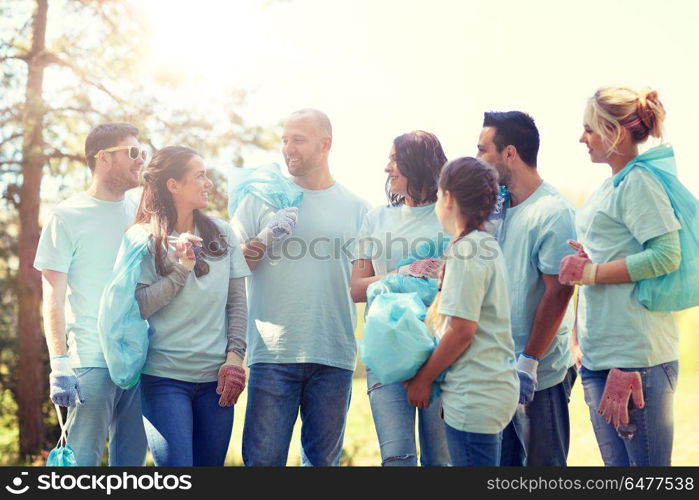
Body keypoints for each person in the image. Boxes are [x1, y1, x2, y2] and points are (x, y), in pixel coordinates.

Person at [231, 109, 370, 466]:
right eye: (285, 139)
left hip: (334, 354)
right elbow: (230, 270)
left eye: (298, 139)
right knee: (263, 463)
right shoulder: (260, 199)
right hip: (273, 353)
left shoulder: (358, 209)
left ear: (325, 145)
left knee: (322, 466)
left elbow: (364, 281)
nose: (288, 148)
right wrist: (262, 239)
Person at [560, 86, 681, 466]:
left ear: (618, 132)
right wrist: (590, 261)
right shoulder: (609, 187)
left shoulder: (639, 182)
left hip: (634, 360)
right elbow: (620, 257)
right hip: (601, 359)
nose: (582, 137)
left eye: (590, 129)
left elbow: (666, 255)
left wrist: (592, 271)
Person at [34, 122, 147, 466]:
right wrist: (59, 363)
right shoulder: (67, 215)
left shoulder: (142, 214)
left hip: (139, 359)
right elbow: (52, 292)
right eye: (132, 152)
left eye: (142, 153)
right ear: (103, 158)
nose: (140, 160)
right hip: (91, 361)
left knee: (131, 467)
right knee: (81, 464)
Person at [131, 146, 250, 466]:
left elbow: (237, 303)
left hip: (217, 381)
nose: (208, 182)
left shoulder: (223, 235)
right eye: (200, 176)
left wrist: (235, 359)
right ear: (174, 185)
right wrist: (180, 269)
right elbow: (140, 305)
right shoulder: (144, 239)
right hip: (164, 379)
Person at [476, 111, 577, 466]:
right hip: (497, 372)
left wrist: (529, 361)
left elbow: (560, 291)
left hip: (539, 376)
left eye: (482, 150)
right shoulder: (497, 210)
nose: (477, 159)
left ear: (509, 154)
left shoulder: (553, 211)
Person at [405, 157, 519, 466]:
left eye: (440, 194)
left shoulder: (467, 250)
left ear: (449, 198)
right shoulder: (485, 244)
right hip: (489, 389)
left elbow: (462, 330)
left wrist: (423, 380)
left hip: (476, 393)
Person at [350, 131, 450, 466]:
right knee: (397, 459)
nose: (386, 168)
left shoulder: (450, 216)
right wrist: (401, 272)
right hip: (387, 352)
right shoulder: (376, 219)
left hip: (440, 353)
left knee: (442, 461)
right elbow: (356, 288)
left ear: (417, 164)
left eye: (394, 159)